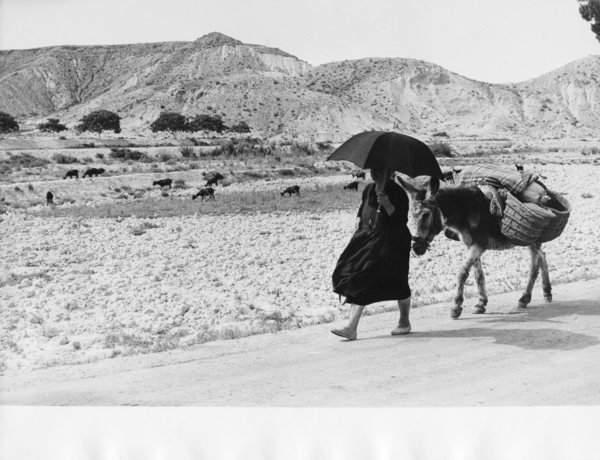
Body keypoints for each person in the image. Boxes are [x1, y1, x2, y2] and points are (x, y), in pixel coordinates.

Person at [331, 168, 412, 340]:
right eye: (373, 169)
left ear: (390, 173)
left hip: (393, 242)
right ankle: (351, 327)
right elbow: (363, 209)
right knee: (353, 273)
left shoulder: (398, 193)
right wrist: (359, 219)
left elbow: (401, 221)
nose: (375, 173)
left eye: (380, 170)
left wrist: (388, 204)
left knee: (399, 282)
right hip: (368, 239)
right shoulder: (369, 189)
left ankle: (404, 322)